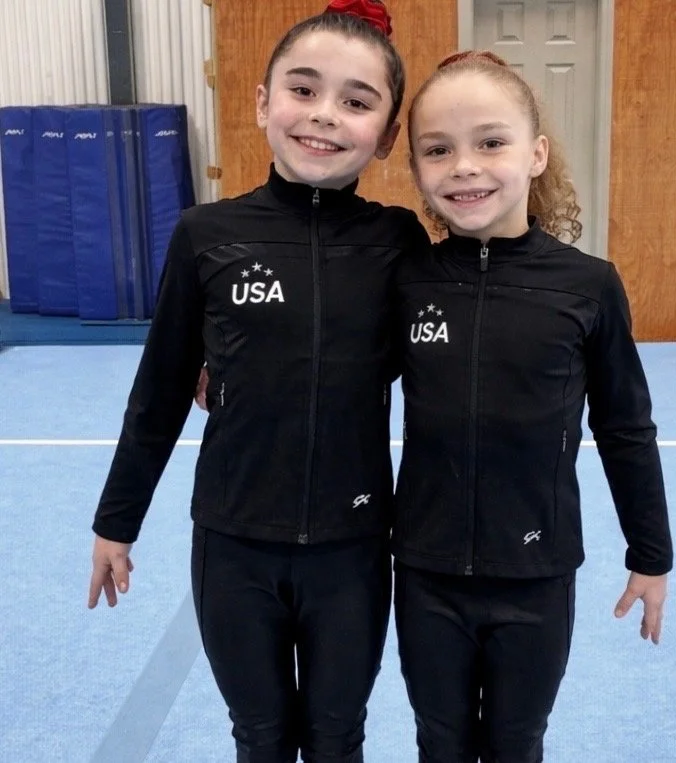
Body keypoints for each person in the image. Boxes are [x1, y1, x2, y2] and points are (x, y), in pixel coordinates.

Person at [87, 2, 429, 761]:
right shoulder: (207, 235)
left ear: (388, 136)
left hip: (354, 547)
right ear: (261, 102)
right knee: (262, 736)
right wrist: (117, 520)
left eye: (357, 100)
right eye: (303, 89)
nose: (324, 116)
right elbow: (161, 388)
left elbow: (456, 359)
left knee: (338, 736)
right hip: (235, 545)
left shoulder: (397, 242)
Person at [391, 51, 674, 762]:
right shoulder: (407, 280)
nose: (465, 165)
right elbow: (330, 373)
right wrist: (231, 372)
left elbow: (625, 427)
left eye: (491, 141)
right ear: (419, 170)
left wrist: (652, 554)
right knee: (441, 740)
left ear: (537, 153)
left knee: (518, 740)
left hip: (536, 575)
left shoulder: (587, 287)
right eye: (438, 149)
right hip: (426, 572)